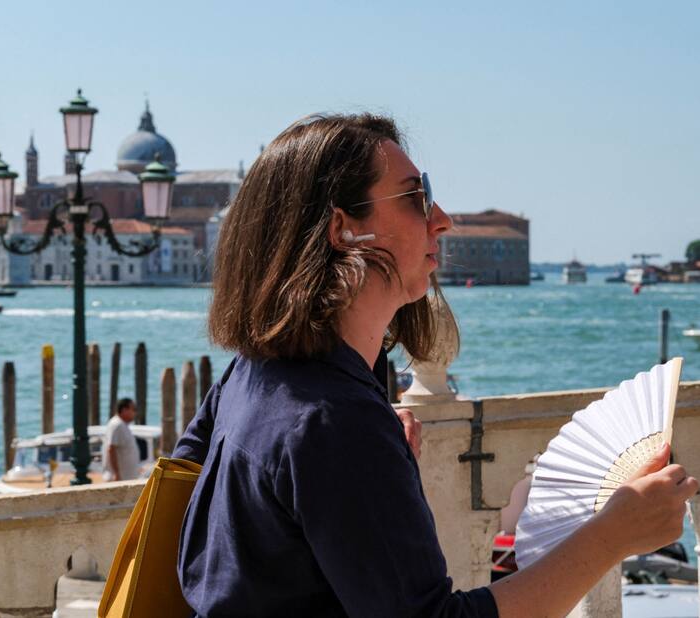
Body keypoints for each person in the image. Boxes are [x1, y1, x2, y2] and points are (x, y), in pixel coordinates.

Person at [172, 113, 697, 617]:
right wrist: (610, 537)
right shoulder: (334, 417)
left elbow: (193, 486)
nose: (442, 220)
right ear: (341, 229)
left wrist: (360, 466)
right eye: (416, 197)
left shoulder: (253, 373)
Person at [103, 398, 140, 482]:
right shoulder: (117, 425)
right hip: (120, 478)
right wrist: (116, 473)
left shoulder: (122, 425)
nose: (135, 413)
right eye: (133, 409)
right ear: (124, 410)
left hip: (127, 478)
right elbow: (111, 449)